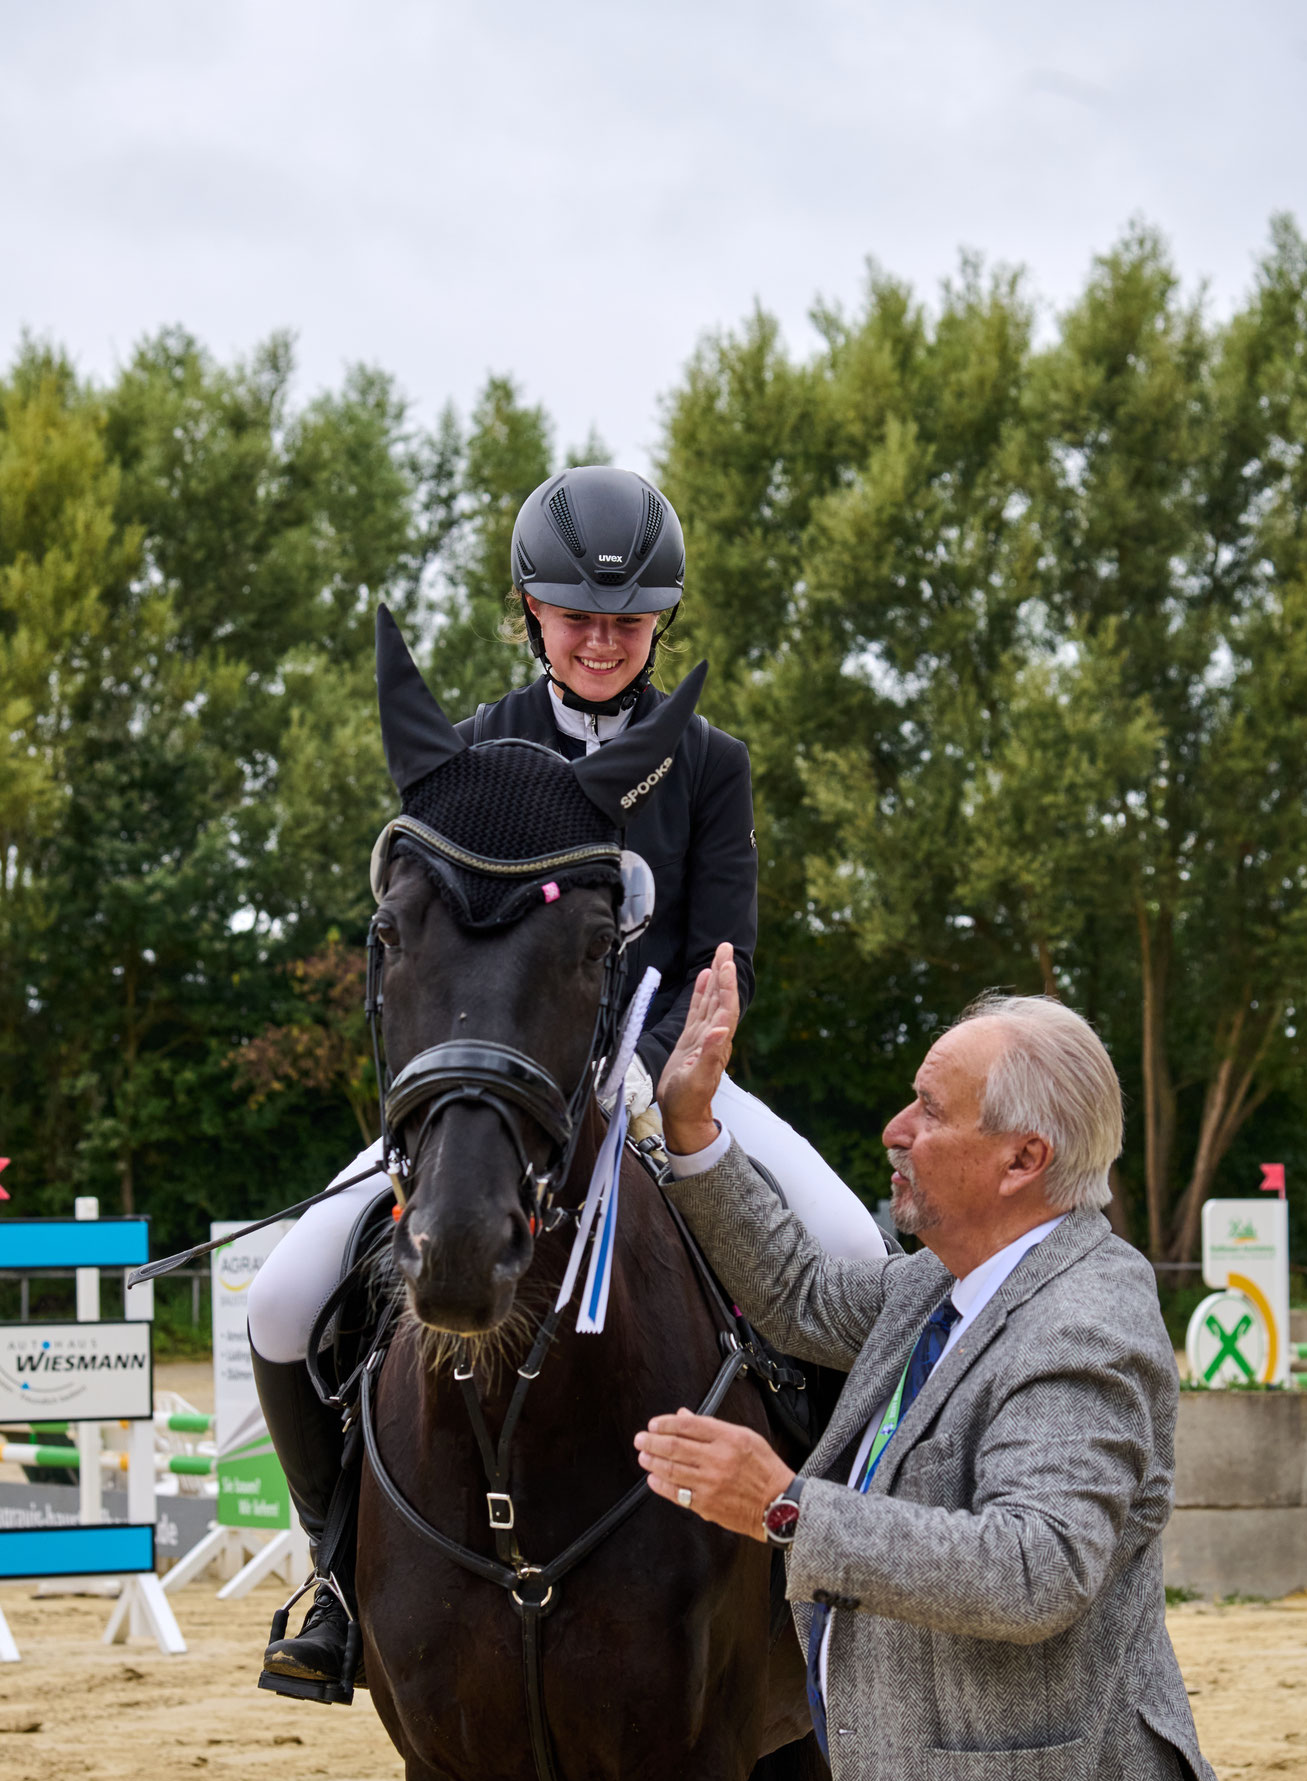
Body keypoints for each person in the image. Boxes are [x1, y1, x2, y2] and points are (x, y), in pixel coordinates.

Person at [249, 465, 886, 1692]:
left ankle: (836, 1582)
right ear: (529, 610)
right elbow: (430, 941)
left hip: (666, 1077)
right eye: (578, 615)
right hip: (492, 1093)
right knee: (281, 1299)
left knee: (855, 1256)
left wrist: (653, 1073)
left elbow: (725, 950)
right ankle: (337, 1576)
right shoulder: (471, 749)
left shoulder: (710, 763)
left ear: (662, 623)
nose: (603, 639)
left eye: (630, 619)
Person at [635, 944, 1245, 1781]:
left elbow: (1034, 1569)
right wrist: (691, 1122)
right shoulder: (941, 1282)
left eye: (928, 1108)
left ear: (1022, 1160)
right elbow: (795, 1292)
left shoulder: (1081, 1325)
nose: (895, 1129)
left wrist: (784, 1509)